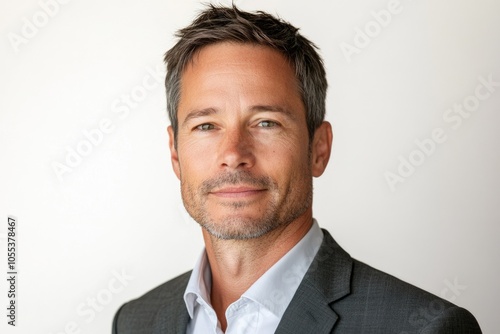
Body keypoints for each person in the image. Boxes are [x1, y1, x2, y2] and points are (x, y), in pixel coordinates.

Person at [112, 5, 481, 333]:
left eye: (266, 122)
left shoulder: (425, 327)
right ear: (175, 154)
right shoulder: (136, 321)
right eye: (206, 126)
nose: (233, 153)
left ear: (318, 149)